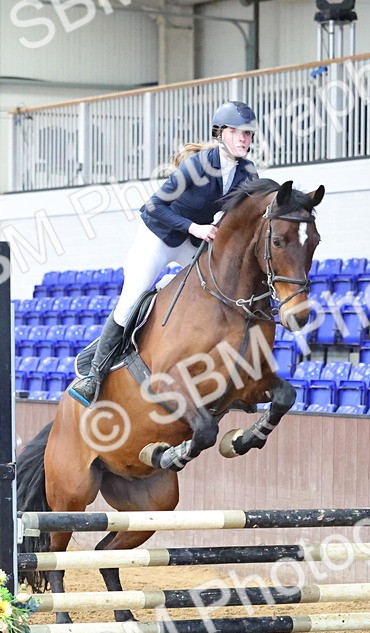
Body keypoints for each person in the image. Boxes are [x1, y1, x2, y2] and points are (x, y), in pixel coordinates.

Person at [68, 100, 261, 407]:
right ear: (220, 133)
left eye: (248, 134)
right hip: (158, 236)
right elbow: (153, 207)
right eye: (237, 132)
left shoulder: (247, 172)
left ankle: (229, 373)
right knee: (132, 297)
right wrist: (195, 228)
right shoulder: (197, 166)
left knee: (224, 288)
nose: (244, 139)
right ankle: (95, 375)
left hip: (191, 240)